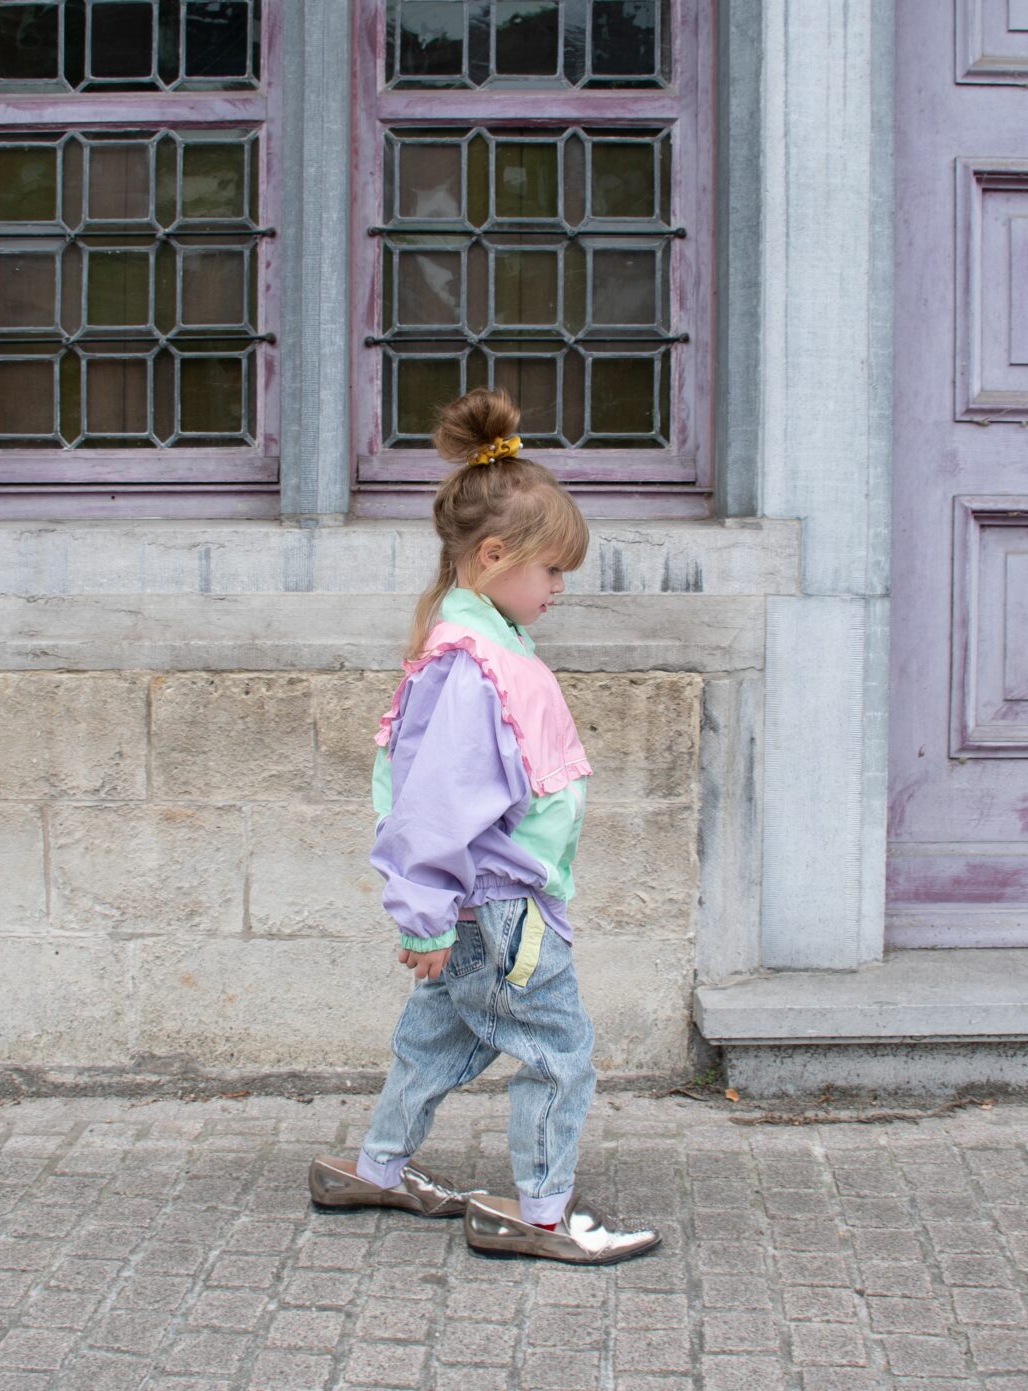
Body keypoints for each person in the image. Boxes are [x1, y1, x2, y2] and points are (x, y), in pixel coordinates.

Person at [307, 388, 660, 1265]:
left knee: (438, 1037)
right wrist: (423, 912)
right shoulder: (475, 669)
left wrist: (436, 914)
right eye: (551, 571)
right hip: (502, 910)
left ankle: (376, 1166)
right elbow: (434, 804)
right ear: (495, 555)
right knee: (556, 1050)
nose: (561, 589)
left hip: (483, 906)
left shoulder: (480, 651)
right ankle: (540, 1214)